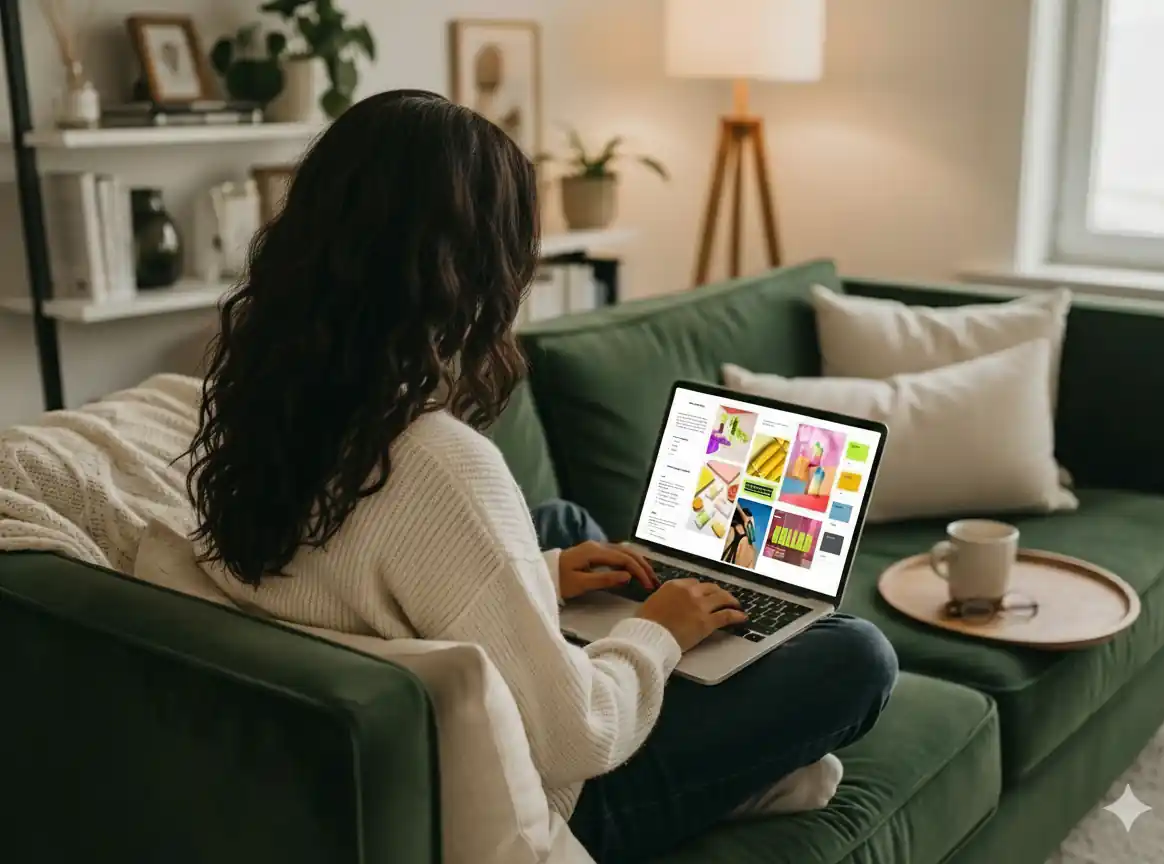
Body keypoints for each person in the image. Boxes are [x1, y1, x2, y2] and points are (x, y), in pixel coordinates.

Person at [185, 90, 897, 864]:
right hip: (536, 797)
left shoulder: (265, 407)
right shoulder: (437, 464)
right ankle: (745, 778)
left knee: (559, 526)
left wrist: (545, 577)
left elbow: (359, 580)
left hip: (402, 752)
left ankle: (698, 713)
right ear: (468, 266)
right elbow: (578, 737)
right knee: (858, 655)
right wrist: (658, 632)